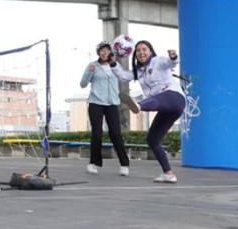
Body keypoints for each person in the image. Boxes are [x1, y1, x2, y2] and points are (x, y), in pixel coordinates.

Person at [123, 40, 184, 184]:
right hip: (166, 108)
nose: (141, 52)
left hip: (174, 98)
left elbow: (171, 62)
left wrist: (173, 56)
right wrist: (113, 64)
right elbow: (123, 76)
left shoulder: (158, 61)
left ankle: (139, 105)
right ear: (135, 55)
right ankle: (168, 173)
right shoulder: (139, 72)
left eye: (144, 49)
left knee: (160, 97)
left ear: (150, 51)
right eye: (138, 51)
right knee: (152, 139)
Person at [79, 41, 133, 176]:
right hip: (96, 103)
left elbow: (124, 78)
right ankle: (93, 163)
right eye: (101, 51)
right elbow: (83, 84)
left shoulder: (116, 65)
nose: (104, 53)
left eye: (106, 50)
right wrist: (89, 73)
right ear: (98, 53)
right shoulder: (93, 66)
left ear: (111, 52)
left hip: (113, 104)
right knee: (97, 133)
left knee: (116, 134)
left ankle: (124, 164)